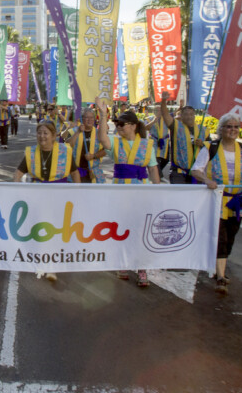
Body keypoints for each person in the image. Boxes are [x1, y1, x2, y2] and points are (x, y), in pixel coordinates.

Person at [191, 114, 242, 294]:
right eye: (229, 126)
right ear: (221, 129)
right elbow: (195, 170)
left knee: (231, 235)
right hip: (216, 200)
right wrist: (207, 180)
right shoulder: (211, 148)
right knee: (220, 236)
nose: (233, 130)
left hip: (238, 201)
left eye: (236, 127)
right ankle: (221, 276)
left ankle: (219, 264)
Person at [96, 98, 159, 287]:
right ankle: (122, 263)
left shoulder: (147, 145)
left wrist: (159, 192)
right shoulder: (116, 142)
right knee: (122, 228)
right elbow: (102, 138)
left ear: (133, 126)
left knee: (140, 230)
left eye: (121, 124)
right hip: (121, 192)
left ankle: (142, 268)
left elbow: (153, 169)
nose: (118, 127)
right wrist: (103, 115)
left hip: (141, 193)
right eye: (117, 124)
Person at [14, 120, 80, 282]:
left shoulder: (64, 151)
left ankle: (52, 265)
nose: (42, 136)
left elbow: (75, 173)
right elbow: (18, 173)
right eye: (39, 132)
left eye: (45, 133)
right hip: (38, 197)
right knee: (42, 230)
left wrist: (78, 192)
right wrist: (16, 190)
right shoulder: (31, 153)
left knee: (56, 230)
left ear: (53, 136)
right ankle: (44, 262)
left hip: (60, 197)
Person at [160, 92, 206, 184]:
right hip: (179, 172)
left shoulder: (203, 130)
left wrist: (203, 144)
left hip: (197, 172)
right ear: (181, 115)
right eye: (186, 114)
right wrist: (164, 101)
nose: (189, 116)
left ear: (194, 115)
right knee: (179, 197)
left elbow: (211, 148)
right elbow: (165, 115)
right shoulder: (176, 126)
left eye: (191, 114)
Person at [63, 108, 106, 183]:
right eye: (87, 117)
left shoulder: (99, 133)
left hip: (93, 173)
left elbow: (106, 149)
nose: (89, 120)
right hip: (75, 172)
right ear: (82, 119)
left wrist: (94, 156)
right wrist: (78, 132)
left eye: (92, 117)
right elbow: (66, 147)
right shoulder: (73, 131)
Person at [146, 112, 170, 181]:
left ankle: (157, 171)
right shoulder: (149, 119)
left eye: (160, 110)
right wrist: (153, 121)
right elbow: (145, 128)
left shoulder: (166, 119)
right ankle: (159, 175)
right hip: (154, 141)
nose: (159, 111)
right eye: (157, 110)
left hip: (164, 141)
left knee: (166, 158)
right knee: (155, 159)